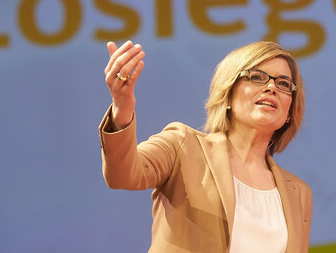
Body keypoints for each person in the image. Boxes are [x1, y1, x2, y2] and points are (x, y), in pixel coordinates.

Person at [98, 40, 312, 252]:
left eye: (284, 84)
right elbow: (122, 175)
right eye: (257, 77)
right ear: (228, 93)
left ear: (289, 111)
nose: (271, 87)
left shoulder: (299, 193)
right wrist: (122, 109)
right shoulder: (182, 145)